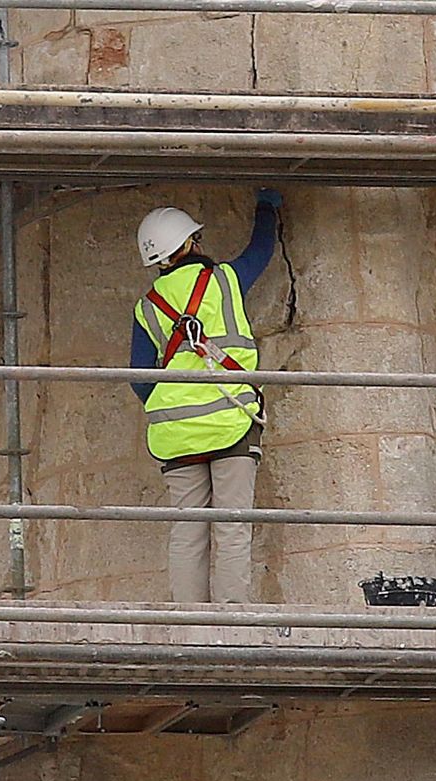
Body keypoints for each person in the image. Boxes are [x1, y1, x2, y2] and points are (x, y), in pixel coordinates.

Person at [130, 188, 283, 604]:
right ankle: (231, 619)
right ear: (188, 245)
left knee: (188, 530)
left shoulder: (147, 307)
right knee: (232, 525)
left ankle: (189, 620)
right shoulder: (225, 279)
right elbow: (261, 249)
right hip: (230, 420)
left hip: (174, 434)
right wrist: (267, 206)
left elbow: (139, 378)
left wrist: (174, 404)